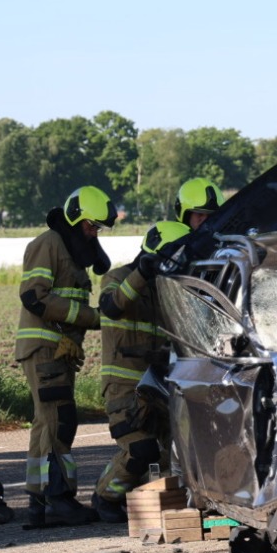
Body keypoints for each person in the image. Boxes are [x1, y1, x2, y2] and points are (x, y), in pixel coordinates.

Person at [14, 185, 114, 527]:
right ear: (75, 218)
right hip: (44, 347)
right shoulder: (49, 244)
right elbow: (34, 297)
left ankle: (39, 502)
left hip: (57, 350)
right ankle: (59, 499)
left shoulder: (70, 250)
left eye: (97, 228)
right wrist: (93, 318)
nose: (94, 232)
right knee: (59, 421)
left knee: (47, 423)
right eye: (90, 225)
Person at [92, 219, 192, 522]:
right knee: (141, 450)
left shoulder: (164, 291)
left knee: (176, 453)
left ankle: (148, 502)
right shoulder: (118, 277)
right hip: (124, 389)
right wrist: (143, 272)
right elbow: (111, 306)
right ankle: (106, 496)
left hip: (158, 388)